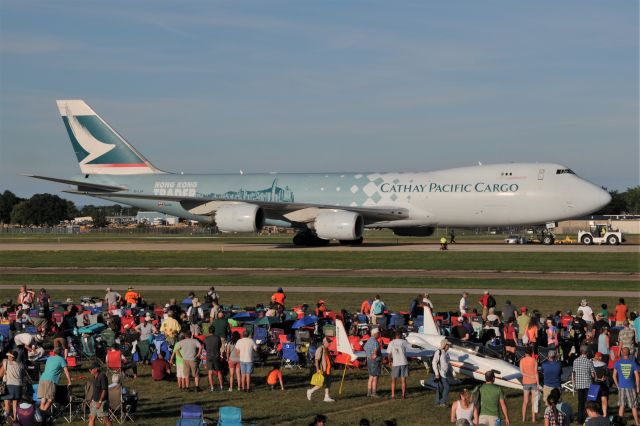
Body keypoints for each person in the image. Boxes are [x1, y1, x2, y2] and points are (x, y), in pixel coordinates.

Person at [37, 346, 71, 413]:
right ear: (61, 352)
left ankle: (40, 417)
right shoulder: (61, 359)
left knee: (43, 399)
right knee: (50, 399)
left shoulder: (49, 358)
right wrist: (69, 381)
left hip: (42, 378)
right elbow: (66, 371)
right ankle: (43, 414)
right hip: (51, 380)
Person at [612, 347, 640, 425]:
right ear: (629, 353)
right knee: (634, 406)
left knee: (622, 405)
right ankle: (637, 423)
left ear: (621, 353)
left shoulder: (617, 363)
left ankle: (619, 423)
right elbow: (637, 376)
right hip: (631, 387)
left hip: (621, 387)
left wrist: (617, 385)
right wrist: (638, 387)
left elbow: (614, 376)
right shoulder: (633, 363)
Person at [573, 344, 596, 424]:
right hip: (588, 384)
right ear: (587, 352)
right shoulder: (589, 361)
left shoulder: (575, 361)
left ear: (580, 351)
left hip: (579, 384)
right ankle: (587, 418)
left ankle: (580, 420)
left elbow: (574, 373)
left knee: (580, 403)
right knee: (588, 403)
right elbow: (593, 375)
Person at [307, 338, 334, 402]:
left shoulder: (327, 349)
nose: (329, 343)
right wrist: (318, 369)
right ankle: (310, 391)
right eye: (328, 342)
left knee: (328, 383)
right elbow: (316, 360)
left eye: (330, 342)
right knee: (320, 384)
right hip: (323, 369)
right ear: (324, 342)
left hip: (328, 369)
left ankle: (326, 397)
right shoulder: (320, 349)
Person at [387, 330, 410, 399]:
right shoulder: (404, 342)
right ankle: (403, 395)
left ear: (395, 336)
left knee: (393, 380)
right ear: (400, 335)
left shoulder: (391, 343)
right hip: (403, 362)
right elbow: (410, 348)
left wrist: (390, 361)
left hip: (395, 363)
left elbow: (389, 354)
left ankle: (393, 395)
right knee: (403, 380)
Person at [0, 351, 23, 421]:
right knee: (15, 403)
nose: (8, 357)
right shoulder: (20, 364)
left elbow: (0, 375)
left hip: (9, 386)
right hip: (19, 387)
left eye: (9, 356)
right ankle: (15, 420)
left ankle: (5, 417)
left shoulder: (5, 363)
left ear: (11, 357)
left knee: (6, 401)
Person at [520, 346, 539, 423]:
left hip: (526, 382)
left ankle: (523, 418)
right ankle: (533, 419)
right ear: (531, 353)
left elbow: (521, 372)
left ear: (525, 353)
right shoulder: (534, 360)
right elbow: (536, 373)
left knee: (525, 401)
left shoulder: (522, 361)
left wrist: (527, 375)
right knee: (533, 401)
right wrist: (538, 383)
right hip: (534, 381)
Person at [432, 339, 452, 407]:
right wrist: (437, 373)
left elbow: (449, 364)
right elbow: (434, 362)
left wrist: (453, 374)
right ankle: (442, 402)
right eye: (448, 345)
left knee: (440, 388)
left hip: (444, 373)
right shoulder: (439, 352)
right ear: (444, 345)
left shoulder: (446, 353)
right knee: (447, 387)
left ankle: (437, 403)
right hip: (440, 373)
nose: (449, 346)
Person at [204, 325, 223, 391]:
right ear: (214, 331)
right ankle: (221, 386)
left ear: (209, 331)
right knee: (219, 371)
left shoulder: (206, 339)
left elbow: (205, 347)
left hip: (209, 356)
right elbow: (220, 346)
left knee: (210, 372)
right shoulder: (217, 338)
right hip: (216, 356)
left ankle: (212, 387)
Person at [364, 327, 381, 398]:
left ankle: (369, 392)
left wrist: (369, 355)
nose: (379, 334)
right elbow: (375, 350)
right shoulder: (375, 342)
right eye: (378, 333)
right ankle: (374, 393)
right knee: (375, 377)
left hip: (369, 361)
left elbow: (364, 347)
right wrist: (374, 355)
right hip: (374, 361)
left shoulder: (368, 341)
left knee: (370, 376)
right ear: (375, 334)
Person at [593, 352, 610, 417]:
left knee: (594, 401)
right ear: (597, 356)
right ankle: (604, 414)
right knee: (604, 400)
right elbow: (608, 375)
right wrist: (605, 378)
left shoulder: (590, 364)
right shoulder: (604, 364)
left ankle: (596, 414)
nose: (601, 357)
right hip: (603, 385)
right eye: (600, 356)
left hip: (594, 385)